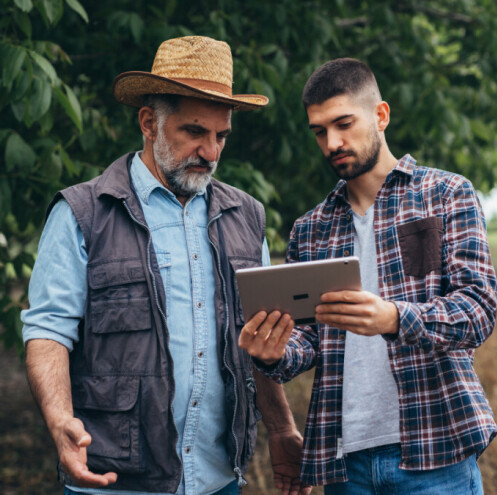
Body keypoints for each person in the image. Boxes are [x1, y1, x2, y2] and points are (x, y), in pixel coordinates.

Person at [21, 36, 308, 495]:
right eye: (195, 132)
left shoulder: (247, 216)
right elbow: (48, 332)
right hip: (115, 480)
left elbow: (261, 338)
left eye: (221, 136)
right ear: (149, 123)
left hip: (218, 481)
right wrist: (59, 422)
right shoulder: (83, 213)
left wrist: (280, 429)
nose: (212, 152)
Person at [238, 58, 497, 494]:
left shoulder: (447, 194)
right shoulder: (310, 227)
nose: (331, 142)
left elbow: (479, 310)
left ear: (380, 116)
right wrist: (273, 352)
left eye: (343, 124)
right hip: (344, 462)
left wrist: (395, 318)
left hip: (436, 450)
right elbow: (309, 343)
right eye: (319, 131)